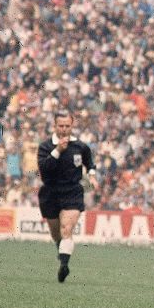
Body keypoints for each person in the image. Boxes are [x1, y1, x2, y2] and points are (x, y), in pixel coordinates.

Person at [36, 112, 95, 283]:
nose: (64, 129)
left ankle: (64, 266)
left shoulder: (80, 146)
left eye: (67, 126)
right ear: (55, 126)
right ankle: (62, 254)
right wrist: (58, 150)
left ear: (72, 125)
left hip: (72, 192)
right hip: (50, 193)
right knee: (56, 234)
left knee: (66, 229)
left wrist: (92, 176)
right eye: (60, 126)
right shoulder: (46, 147)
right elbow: (44, 169)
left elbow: (90, 163)